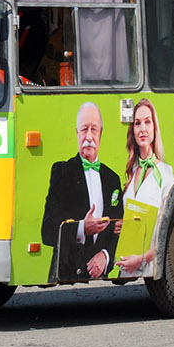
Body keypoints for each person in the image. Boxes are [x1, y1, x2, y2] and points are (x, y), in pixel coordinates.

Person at [40, 102, 123, 280]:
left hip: (101, 278)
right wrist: (81, 228)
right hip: (66, 276)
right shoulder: (62, 172)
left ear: (101, 133)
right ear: (77, 133)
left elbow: (119, 229)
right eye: (84, 129)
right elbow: (47, 231)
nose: (89, 136)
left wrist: (105, 255)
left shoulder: (112, 179)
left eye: (94, 129)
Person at [117, 98, 174, 277]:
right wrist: (120, 225)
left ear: (154, 128)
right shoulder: (132, 172)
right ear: (132, 131)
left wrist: (142, 258)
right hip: (126, 267)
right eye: (137, 123)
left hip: (148, 265)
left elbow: (169, 231)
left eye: (147, 122)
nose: (142, 128)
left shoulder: (165, 173)